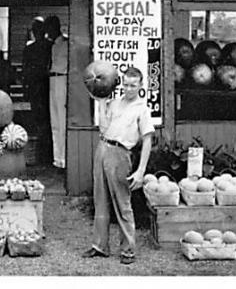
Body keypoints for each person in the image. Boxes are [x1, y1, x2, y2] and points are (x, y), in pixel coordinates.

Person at [82, 66, 154, 264]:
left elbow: (147, 140)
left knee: (122, 203)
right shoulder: (115, 104)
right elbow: (103, 128)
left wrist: (140, 171)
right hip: (103, 148)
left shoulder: (142, 109)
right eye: (126, 84)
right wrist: (101, 102)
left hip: (121, 154)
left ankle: (128, 249)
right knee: (100, 200)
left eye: (133, 85)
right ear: (122, 84)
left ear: (140, 86)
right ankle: (100, 246)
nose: (129, 89)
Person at [44, 15, 68, 169]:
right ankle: (57, 158)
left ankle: (64, 158)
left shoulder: (66, 43)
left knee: (62, 119)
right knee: (54, 120)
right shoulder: (52, 45)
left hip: (62, 79)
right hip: (52, 79)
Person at [22, 17, 51, 129]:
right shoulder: (50, 46)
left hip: (36, 83)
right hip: (45, 83)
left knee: (37, 111)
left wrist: (25, 86)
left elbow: (25, 69)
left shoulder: (29, 49)